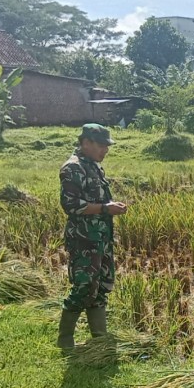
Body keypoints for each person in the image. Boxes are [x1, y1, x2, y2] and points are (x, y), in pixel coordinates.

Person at [56, 124, 128, 350]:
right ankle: (65, 339)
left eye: (107, 146)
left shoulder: (93, 167)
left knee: (102, 286)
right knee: (84, 287)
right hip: (84, 239)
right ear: (86, 142)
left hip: (101, 238)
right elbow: (71, 206)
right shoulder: (72, 168)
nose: (105, 150)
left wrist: (109, 208)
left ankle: (100, 339)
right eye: (101, 145)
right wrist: (106, 208)